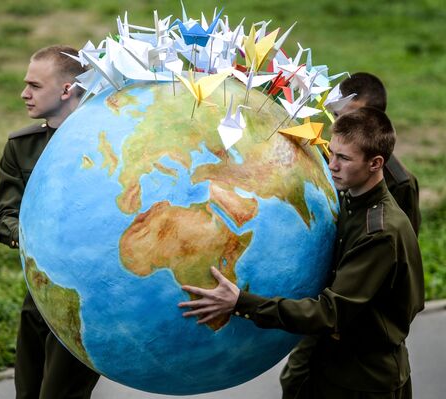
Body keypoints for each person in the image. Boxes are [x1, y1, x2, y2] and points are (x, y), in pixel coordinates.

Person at [179, 107, 424, 398]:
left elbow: (331, 313)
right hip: (332, 365)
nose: (331, 165)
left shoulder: (380, 233)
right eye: (331, 153)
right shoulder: (350, 201)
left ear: (376, 163)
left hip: (366, 382)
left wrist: (241, 302)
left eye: (343, 159)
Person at [279, 73, 423, 399]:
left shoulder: (389, 206)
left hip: (357, 343)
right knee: (295, 381)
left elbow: (391, 261)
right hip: (331, 325)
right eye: (338, 116)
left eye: (350, 115)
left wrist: (242, 303)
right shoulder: (347, 176)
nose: (333, 162)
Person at [0, 45, 100, 399]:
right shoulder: (21, 147)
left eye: (35, 86)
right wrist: (32, 241)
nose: (24, 94)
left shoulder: (106, 145)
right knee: (27, 393)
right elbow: (6, 215)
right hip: (38, 293)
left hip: (89, 300)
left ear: (67, 89)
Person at [335, 72, 421, 236]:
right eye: (336, 116)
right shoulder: (327, 158)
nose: (338, 126)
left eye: (351, 121)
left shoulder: (400, 183)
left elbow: (400, 241)